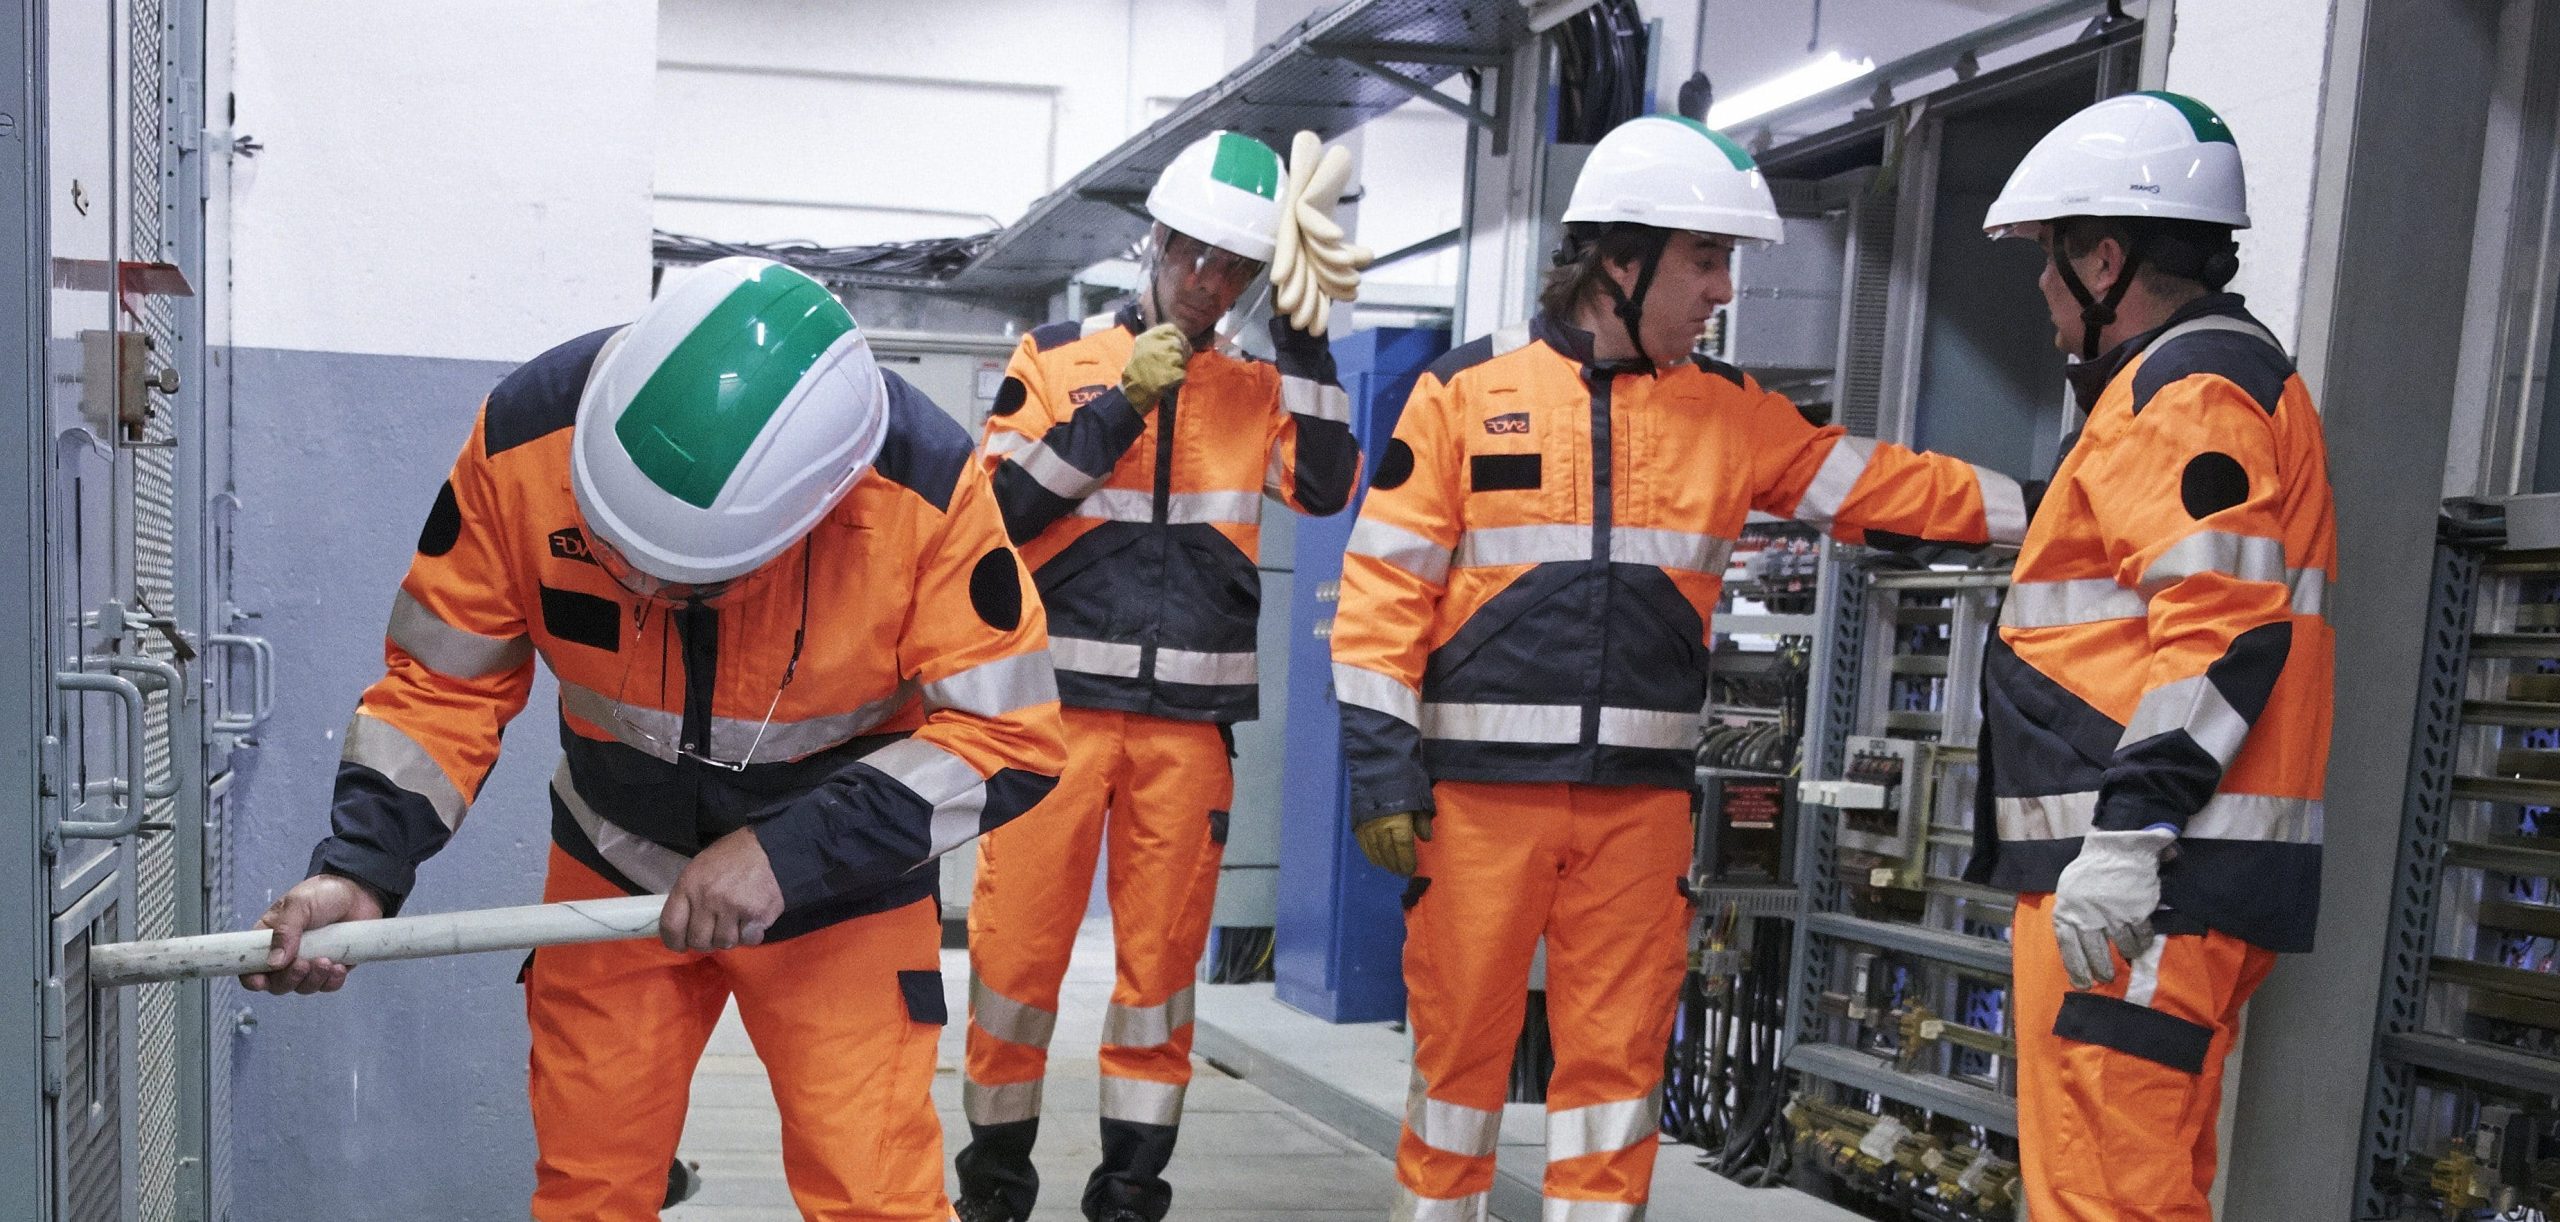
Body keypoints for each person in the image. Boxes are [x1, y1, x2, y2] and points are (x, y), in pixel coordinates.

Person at [246, 256, 1067, 1222]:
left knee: (875, 1198)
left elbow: (1008, 737)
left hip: (841, 896)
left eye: (681, 584)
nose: (638, 591)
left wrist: (788, 852)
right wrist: (362, 865)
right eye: (616, 555)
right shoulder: (526, 443)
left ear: (815, 519)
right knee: (590, 1194)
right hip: (612, 872)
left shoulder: (920, 493)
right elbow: (441, 686)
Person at [1330, 114, 2028, 1222]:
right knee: (1458, 1060)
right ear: (1622, 259)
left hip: (1637, 812)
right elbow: (1380, 596)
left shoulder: (1729, 412)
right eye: (1706, 259)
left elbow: (1882, 485)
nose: (1723, 289)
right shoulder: (1463, 394)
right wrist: (1380, 773)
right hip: (1476, 805)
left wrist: (2048, 508)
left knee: (1615, 1081)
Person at [955, 129, 1361, 1222]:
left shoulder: (1258, 381)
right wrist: (1118, 406)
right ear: (1156, 244)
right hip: (1054, 721)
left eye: (1234, 270)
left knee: (1157, 978)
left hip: (1188, 731)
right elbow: (999, 513)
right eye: (1193, 259)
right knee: (1014, 963)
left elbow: (1323, 490)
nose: (1208, 285)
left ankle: (1130, 1192)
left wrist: (1311, 350)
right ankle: (994, 1187)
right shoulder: (1056, 357)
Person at [1963, 90, 2336, 1221]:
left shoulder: (2186, 393)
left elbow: (2220, 624)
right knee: (2127, 1188)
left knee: (2105, 1199)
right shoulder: (2188, 388)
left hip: (2145, 886)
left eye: (2047, 260)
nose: (2038, 289)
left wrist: (2127, 839)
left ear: (2105, 258)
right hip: (2149, 883)